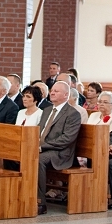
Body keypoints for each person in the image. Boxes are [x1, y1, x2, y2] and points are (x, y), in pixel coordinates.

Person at [36, 81, 82, 214]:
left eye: (56, 91)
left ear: (66, 95)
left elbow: (67, 139)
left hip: (60, 153)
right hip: (43, 148)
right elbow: (39, 131)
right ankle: (22, 195)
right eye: (52, 90)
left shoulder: (72, 114)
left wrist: (42, 147)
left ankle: (40, 202)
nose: (52, 92)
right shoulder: (47, 110)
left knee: (38, 160)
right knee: (16, 157)